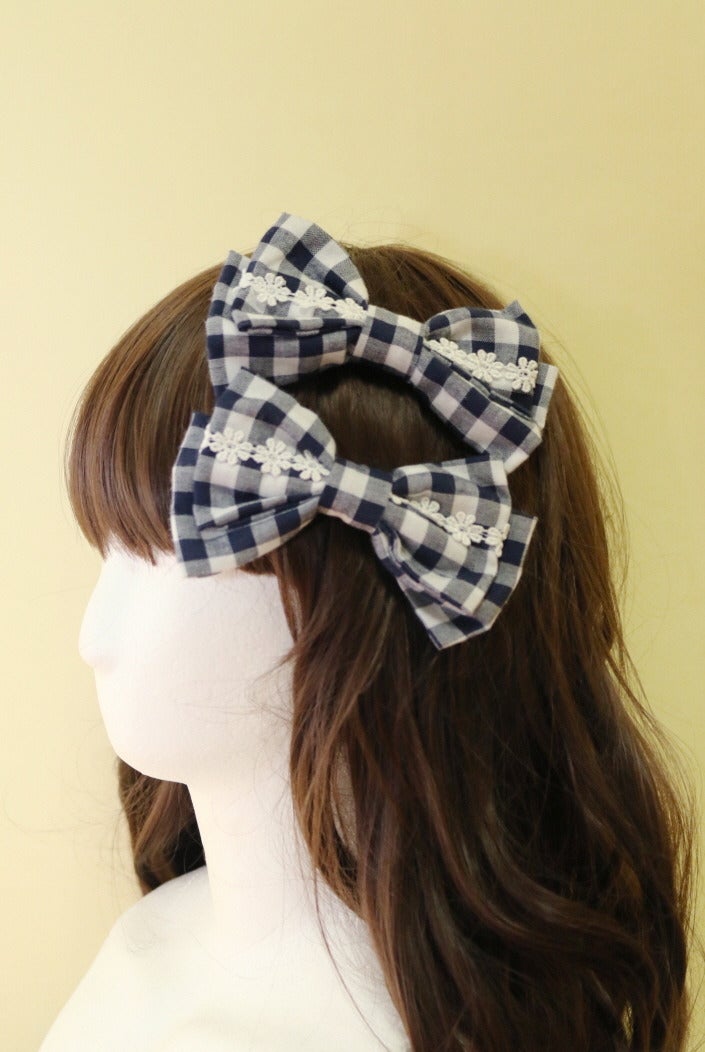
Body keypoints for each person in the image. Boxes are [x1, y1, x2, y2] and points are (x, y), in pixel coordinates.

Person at [41, 214, 698, 1051]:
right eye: (105, 550)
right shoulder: (151, 937)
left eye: (152, 549)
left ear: (360, 601)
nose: (92, 636)